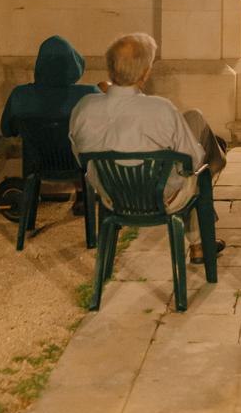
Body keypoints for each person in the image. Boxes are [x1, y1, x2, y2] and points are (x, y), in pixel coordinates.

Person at [70, 32, 228, 264]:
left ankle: (199, 237)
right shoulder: (160, 109)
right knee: (201, 162)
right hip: (161, 196)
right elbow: (192, 162)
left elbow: (79, 156)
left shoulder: (84, 107)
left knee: (193, 119)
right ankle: (199, 237)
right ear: (145, 72)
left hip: (112, 195)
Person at [1, 35, 101, 216]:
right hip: (79, 165)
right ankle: (84, 195)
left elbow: (7, 130)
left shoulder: (20, 95)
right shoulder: (90, 94)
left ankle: (30, 209)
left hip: (37, 164)